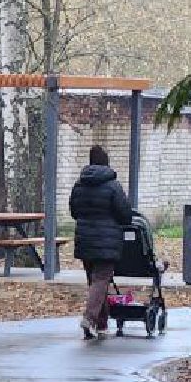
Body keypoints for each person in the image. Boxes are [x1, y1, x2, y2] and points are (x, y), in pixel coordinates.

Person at [69, 144, 133, 340]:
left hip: (85, 240)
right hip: (107, 241)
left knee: (95, 282)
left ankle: (101, 324)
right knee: (101, 280)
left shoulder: (79, 185)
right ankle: (89, 318)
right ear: (106, 163)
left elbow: (74, 211)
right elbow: (125, 214)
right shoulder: (113, 185)